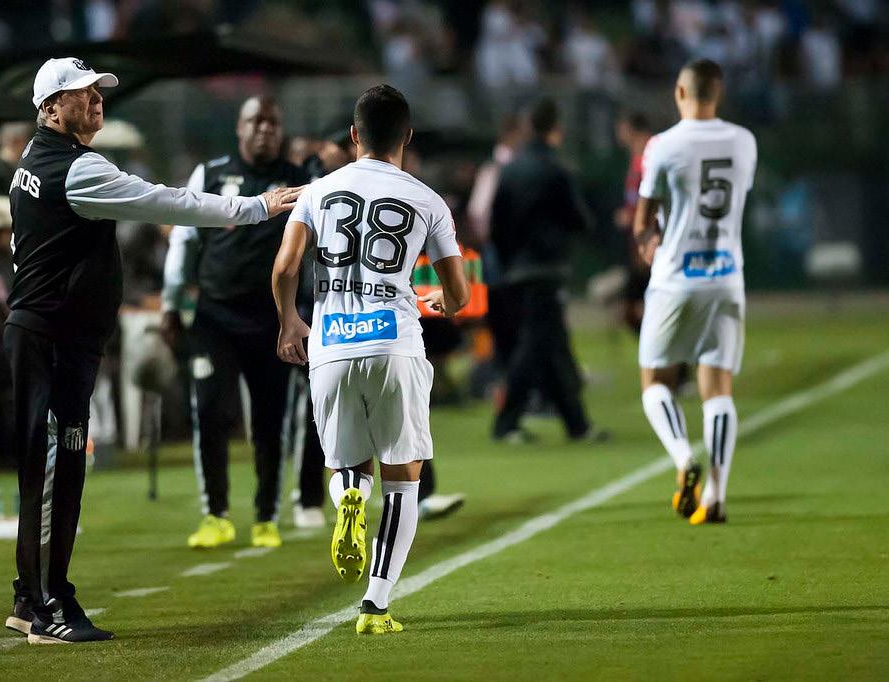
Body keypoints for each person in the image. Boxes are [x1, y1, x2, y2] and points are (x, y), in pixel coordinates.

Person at [4, 57, 300, 645]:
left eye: (95, 91)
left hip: (49, 334)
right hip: (56, 337)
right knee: (55, 469)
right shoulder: (77, 169)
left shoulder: (33, 164)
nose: (94, 100)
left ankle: (32, 596)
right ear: (48, 107)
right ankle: (46, 604)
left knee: (47, 468)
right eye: (79, 93)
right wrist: (256, 207)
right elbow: (168, 203)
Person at [272, 84, 470, 634]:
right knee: (404, 479)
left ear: (354, 136)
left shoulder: (319, 191)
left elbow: (287, 265)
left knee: (345, 468)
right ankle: (375, 604)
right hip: (394, 342)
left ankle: (348, 503)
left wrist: (290, 320)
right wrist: (443, 302)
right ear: (407, 136)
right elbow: (459, 291)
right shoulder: (428, 200)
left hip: (331, 342)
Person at [161, 96, 310, 550]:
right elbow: (184, 237)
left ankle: (266, 516)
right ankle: (216, 515)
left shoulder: (303, 181)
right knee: (209, 412)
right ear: (239, 127)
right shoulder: (210, 173)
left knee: (270, 421)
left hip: (273, 320)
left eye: (272, 121)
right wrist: (171, 302)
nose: (264, 129)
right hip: (214, 317)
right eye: (255, 121)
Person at [633, 59, 756, 525]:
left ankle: (684, 458)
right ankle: (718, 496)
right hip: (727, 277)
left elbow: (645, 220)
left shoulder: (662, 146)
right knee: (718, 388)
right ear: (717, 94)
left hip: (675, 279)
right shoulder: (745, 141)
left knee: (655, 383)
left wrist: (647, 242)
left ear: (680, 93)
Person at [489, 97, 604, 443]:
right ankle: (507, 422)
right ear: (556, 129)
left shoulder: (510, 170)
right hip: (547, 267)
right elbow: (579, 219)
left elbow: (497, 223)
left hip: (519, 268)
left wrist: (510, 261)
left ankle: (577, 424)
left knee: (551, 343)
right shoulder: (556, 170)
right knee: (536, 344)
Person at [614, 111, 653, 334]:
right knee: (631, 310)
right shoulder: (636, 160)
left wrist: (633, 216)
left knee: (633, 309)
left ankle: (672, 363)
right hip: (638, 242)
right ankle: (673, 363)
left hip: (648, 242)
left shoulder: (649, 160)